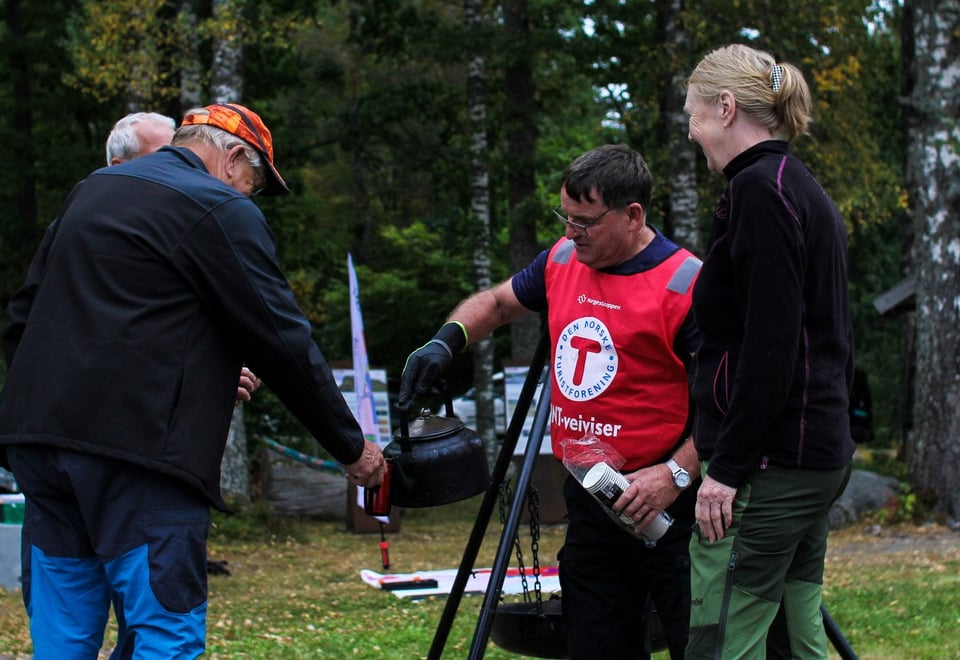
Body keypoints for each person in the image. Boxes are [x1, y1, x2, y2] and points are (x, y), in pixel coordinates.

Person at [0, 102, 386, 658]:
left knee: (63, 635)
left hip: (41, 448)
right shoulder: (218, 206)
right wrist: (351, 447)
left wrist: (190, 378)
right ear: (233, 157)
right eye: (254, 183)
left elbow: (24, 317)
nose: (250, 196)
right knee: (164, 632)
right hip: (138, 458)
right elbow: (281, 341)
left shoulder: (92, 190)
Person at [400, 144, 702, 659]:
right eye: (565, 216)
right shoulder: (563, 259)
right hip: (592, 497)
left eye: (584, 221)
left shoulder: (687, 283)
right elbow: (497, 303)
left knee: (698, 645)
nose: (570, 232)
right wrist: (446, 341)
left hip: (671, 503)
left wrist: (675, 474)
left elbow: (730, 401)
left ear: (633, 216)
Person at [682, 44, 855, 658]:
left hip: (771, 465)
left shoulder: (760, 191)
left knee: (722, 640)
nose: (691, 131)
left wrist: (727, 470)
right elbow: (826, 336)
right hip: (814, 454)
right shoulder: (798, 186)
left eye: (694, 114)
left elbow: (770, 346)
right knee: (794, 637)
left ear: (726, 108)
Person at [104, 111, 262, 403]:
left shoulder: (184, 232)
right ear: (120, 167)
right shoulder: (98, 234)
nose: (177, 164)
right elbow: (109, 341)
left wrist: (209, 375)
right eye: (163, 154)